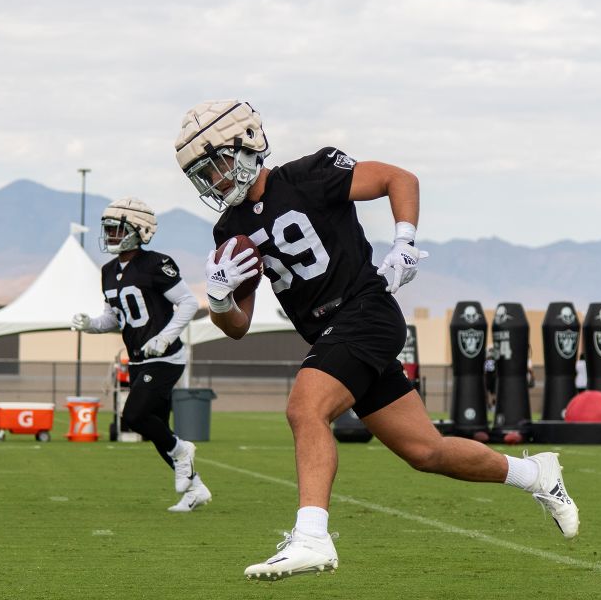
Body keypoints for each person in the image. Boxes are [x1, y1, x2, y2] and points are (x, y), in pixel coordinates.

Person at [173, 100, 579, 581]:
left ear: (246, 145)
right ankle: (536, 475)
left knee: (306, 409)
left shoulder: (309, 174)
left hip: (365, 311)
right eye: (203, 174)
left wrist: (404, 243)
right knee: (426, 452)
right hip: (332, 335)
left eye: (216, 164)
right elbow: (238, 327)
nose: (214, 181)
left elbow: (398, 179)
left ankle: (311, 537)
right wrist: (218, 301)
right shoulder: (229, 230)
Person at [70, 197, 210, 512]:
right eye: (108, 230)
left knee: (133, 417)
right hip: (137, 359)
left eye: (117, 230)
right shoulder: (107, 271)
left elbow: (188, 302)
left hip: (165, 357)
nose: (111, 237)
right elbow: (115, 319)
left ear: (140, 230)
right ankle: (195, 489)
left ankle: (183, 451)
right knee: (157, 428)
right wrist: (90, 325)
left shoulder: (156, 263)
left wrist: (165, 337)